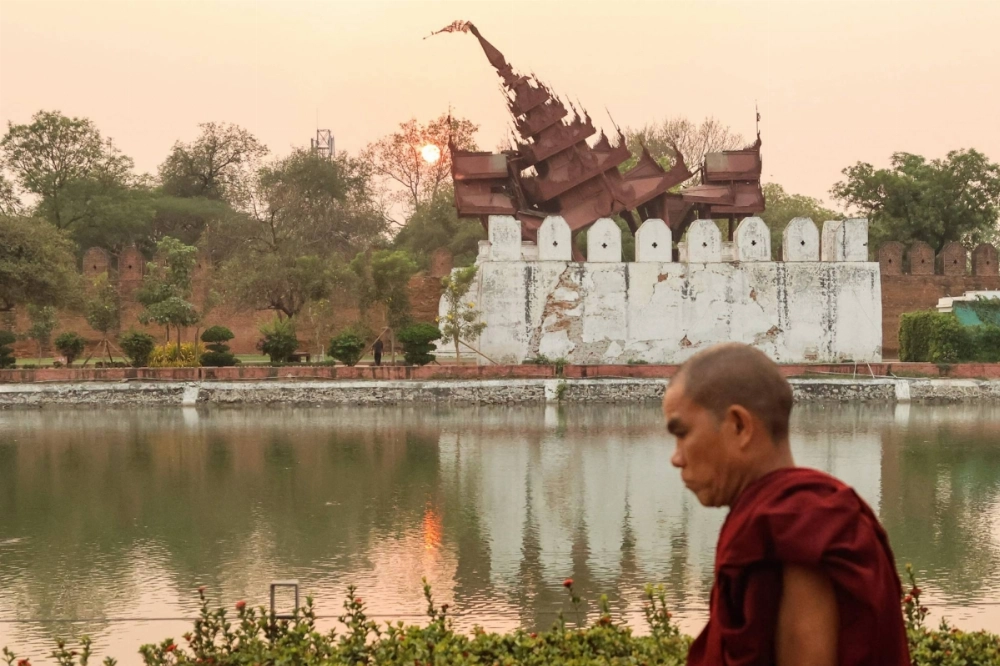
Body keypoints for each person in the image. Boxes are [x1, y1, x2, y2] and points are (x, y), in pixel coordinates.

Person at [663, 343, 909, 666]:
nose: (676, 458)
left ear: (739, 426)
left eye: (682, 434)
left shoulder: (799, 527)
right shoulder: (791, 514)